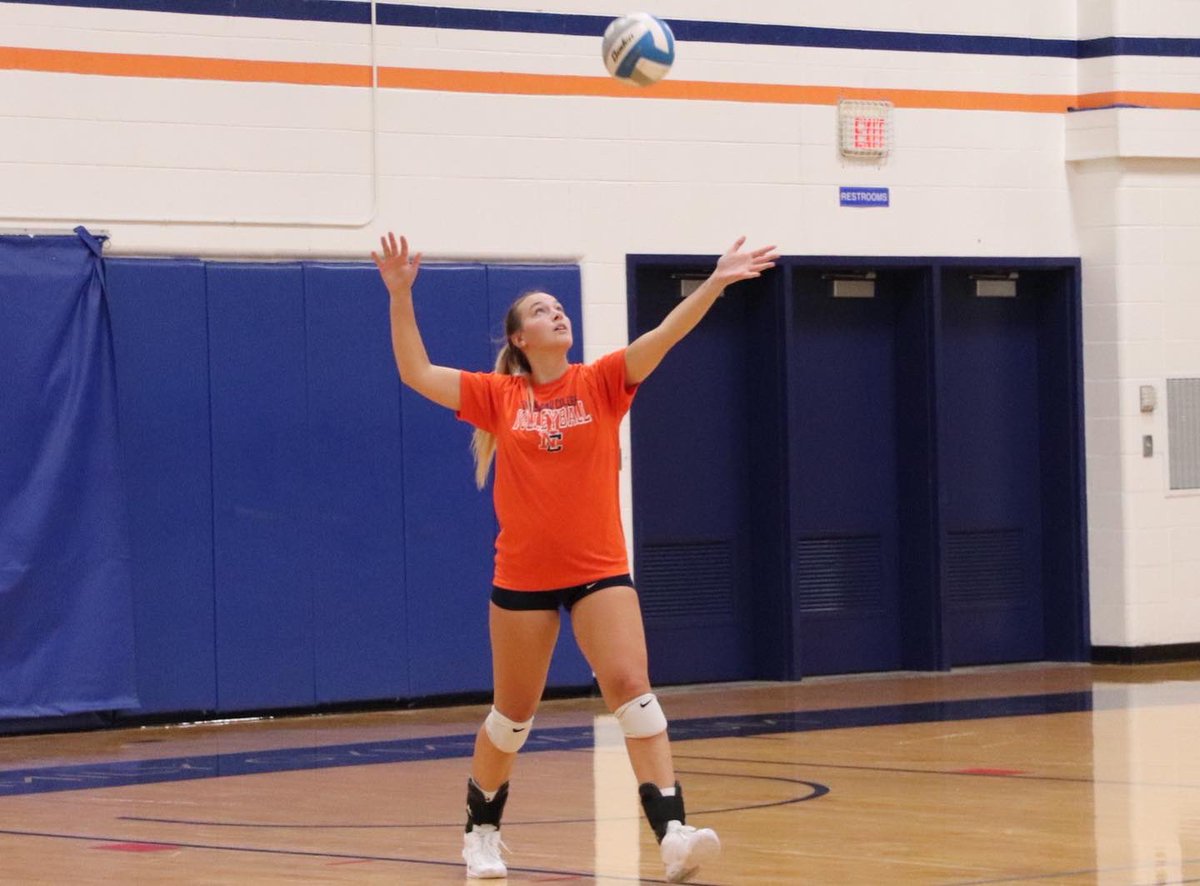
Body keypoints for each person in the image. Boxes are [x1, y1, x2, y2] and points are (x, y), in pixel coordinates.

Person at [372, 231, 778, 883]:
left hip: (599, 571)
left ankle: (673, 833)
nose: (556, 313)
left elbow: (668, 334)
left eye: (559, 307)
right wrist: (399, 296)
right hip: (524, 577)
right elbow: (415, 373)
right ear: (519, 340)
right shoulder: (499, 397)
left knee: (633, 692)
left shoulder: (603, 382)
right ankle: (481, 832)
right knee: (512, 719)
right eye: (540, 310)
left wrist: (716, 282)